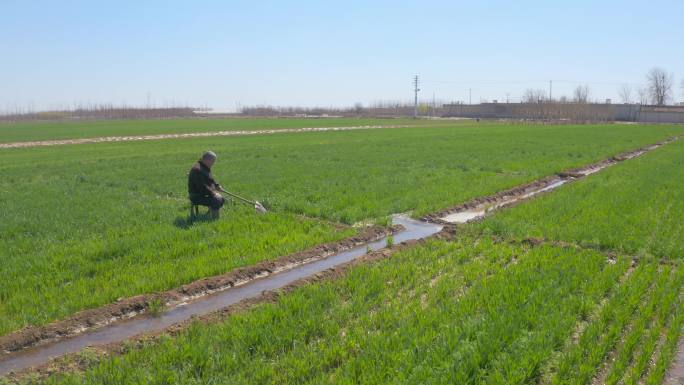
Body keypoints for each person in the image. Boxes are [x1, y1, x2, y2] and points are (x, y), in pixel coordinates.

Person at [188, 151, 225, 219]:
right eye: (213, 161)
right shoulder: (197, 169)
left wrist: (217, 185)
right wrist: (214, 193)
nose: (214, 163)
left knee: (222, 199)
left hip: (203, 194)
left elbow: (210, 179)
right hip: (196, 196)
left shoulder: (204, 167)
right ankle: (215, 220)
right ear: (207, 160)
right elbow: (202, 187)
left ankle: (210, 214)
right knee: (217, 200)